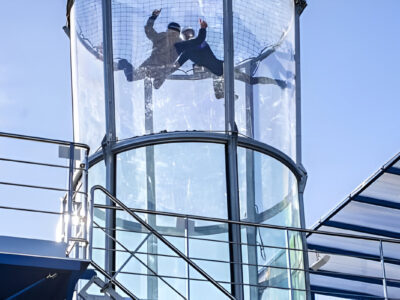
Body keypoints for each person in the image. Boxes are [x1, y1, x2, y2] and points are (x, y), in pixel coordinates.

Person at [174, 19, 287, 99]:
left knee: (251, 80)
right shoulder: (187, 52)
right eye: (187, 34)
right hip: (216, 74)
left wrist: (202, 29)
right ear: (183, 37)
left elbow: (199, 40)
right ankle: (230, 96)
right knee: (218, 94)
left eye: (190, 33)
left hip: (223, 68)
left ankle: (277, 82)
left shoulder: (200, 42)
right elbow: (178, 64)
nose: (189, 35)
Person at [118, 9, 182, 89]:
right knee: (131, 77)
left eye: (174, 34)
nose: (172, 36)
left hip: (163, 69)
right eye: (171, 32)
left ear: (178, 34)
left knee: (156, 85)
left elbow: (193, 46)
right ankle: (123, 63)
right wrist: (153, 17)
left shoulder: (180, 43)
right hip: (151, 65)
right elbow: (149, 30)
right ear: (168, 31)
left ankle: (124, 64)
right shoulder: (162, 37)